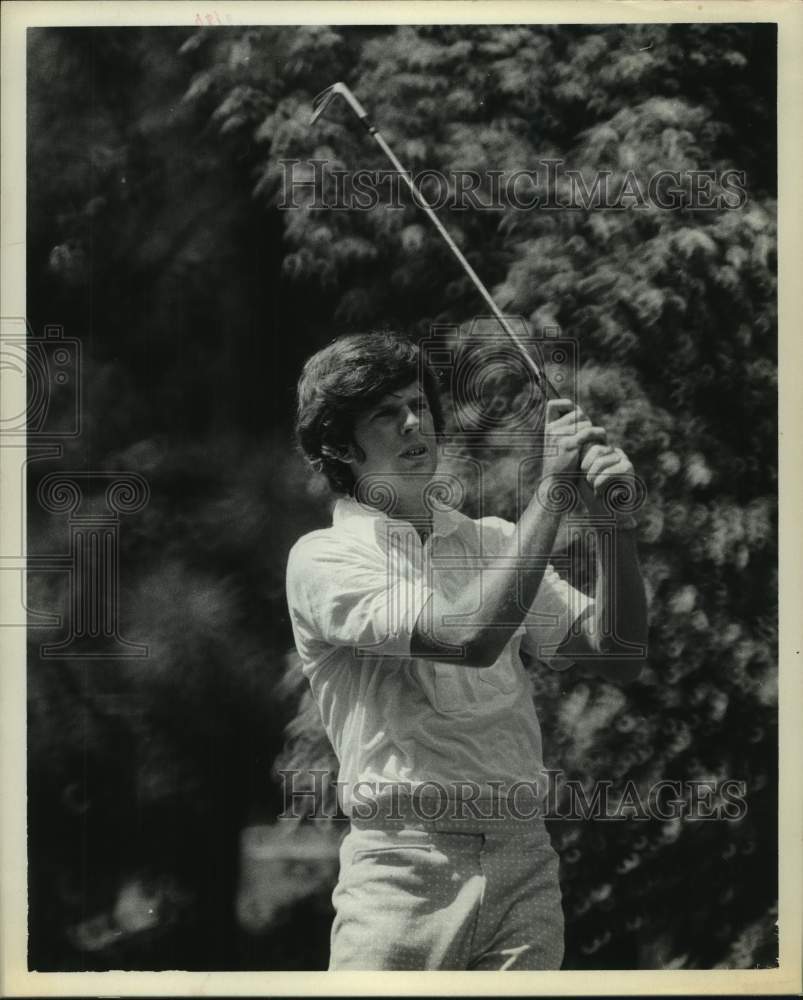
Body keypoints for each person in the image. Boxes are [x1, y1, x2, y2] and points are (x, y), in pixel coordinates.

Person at [285, 331, 648, 970]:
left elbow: (617, 653)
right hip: (401, 872)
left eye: (418, 404)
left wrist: (611, 524)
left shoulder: (494, 541)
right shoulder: (323, 558)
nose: (412, 421)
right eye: (383, 412)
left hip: (522, 861)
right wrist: (552, 492)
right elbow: (468, 638)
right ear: (338, 446)